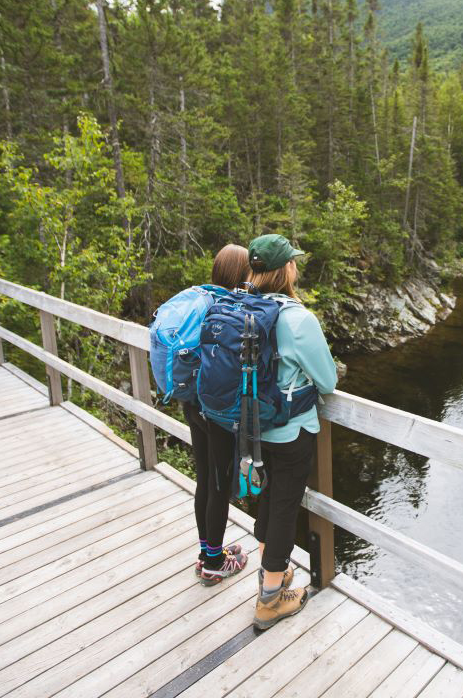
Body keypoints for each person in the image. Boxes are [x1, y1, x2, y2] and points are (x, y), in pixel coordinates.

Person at [245, 233, 337, 630]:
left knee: (268, 497)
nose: (296, 267)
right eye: (293, 262)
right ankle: (270, 601)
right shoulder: (298, 318)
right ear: (286, 269)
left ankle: (273, 574)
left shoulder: (241, 305)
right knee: (284, 506)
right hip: (290, 430)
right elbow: (328, 380)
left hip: (250, 427)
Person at [183, 244, 252, 584]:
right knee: (220, 485)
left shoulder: (200, 300)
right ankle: (214, 562)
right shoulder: (230, 307)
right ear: (242, 274)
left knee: (204, 479)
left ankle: (206, 551)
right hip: (217, 407)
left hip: (192, 401)